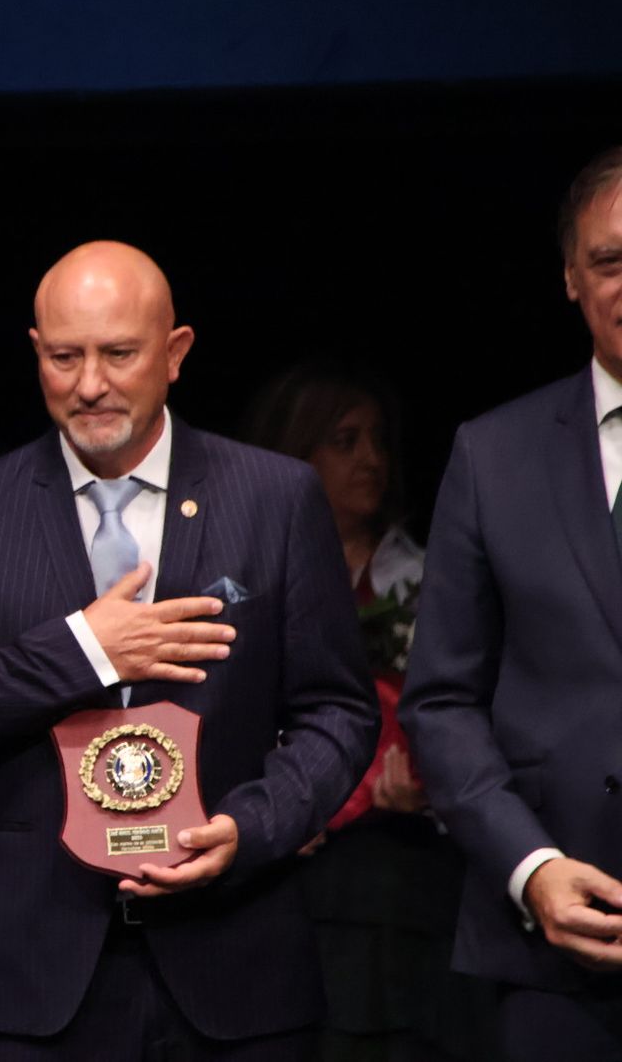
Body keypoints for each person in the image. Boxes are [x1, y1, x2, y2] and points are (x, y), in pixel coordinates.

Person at [0, 242, 379, 1060]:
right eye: (65, 357)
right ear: (36, 352)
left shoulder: (274, 497)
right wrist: (84, 648)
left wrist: (251, 826)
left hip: (235, 960)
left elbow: (338, 713)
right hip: (38, 977)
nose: (91, 383)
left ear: (174, 354)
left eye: (119, 354)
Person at [398, 145, 622, 1061]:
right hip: (555, 954)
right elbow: (441, 700)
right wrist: (531, 869)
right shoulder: (495, 455)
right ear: (572, 278)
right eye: (611, 260)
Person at [248, 363, 496, 1061]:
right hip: (286, 858)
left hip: (404, 870)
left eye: (378, 441)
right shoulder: (244, 575)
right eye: (346, 440)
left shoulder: (428, 576)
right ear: (296, 454)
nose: (372, 460)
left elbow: (468, 708)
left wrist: (433, 787)